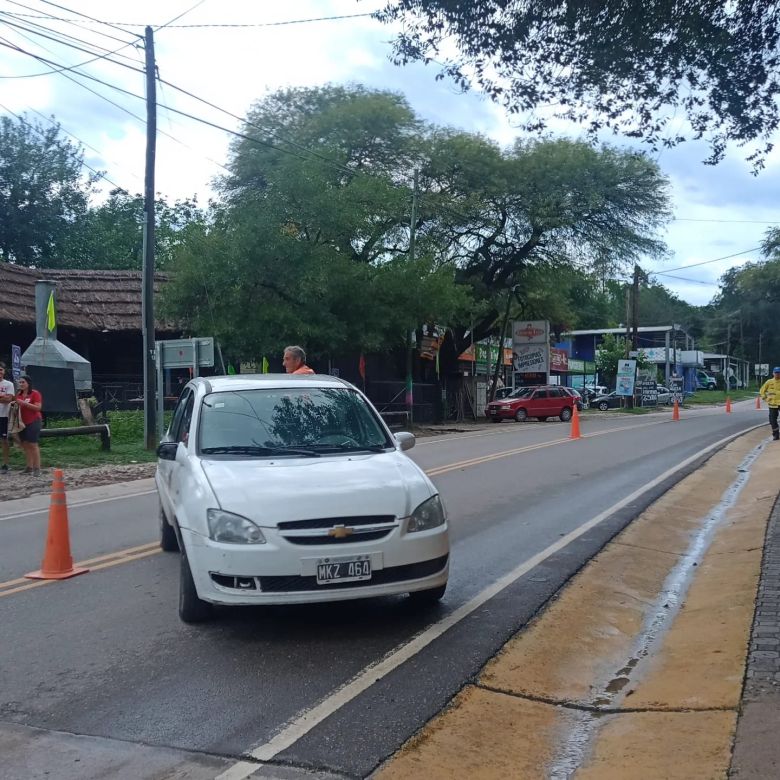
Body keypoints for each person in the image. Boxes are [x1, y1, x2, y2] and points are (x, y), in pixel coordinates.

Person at [16, 374, 43, 474]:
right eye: (20, 382)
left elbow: (38, 408)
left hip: (34, 421)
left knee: (33, 444)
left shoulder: (35, 393)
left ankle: (37, 468)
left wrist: (24, 403)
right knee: (25, 444)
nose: (21, 384)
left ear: (28, 383)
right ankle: (29, 467)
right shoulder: (18, 394)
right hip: (22, 422)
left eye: (23, 382)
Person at [0, 362, 15, 473]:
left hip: (4, 416)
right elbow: (4, 399)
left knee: (4, 440)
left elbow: (8, 399)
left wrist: (5, 398)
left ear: (4, 371)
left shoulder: (8, 384)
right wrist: (2, 397)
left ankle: (5, 464)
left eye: (1, 370)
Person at [759, 367, 780, 441]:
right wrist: (765, 398)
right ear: (773, 373)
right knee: (772, 420)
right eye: (776, 373)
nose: (777, 374)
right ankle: (776, 434)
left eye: (778, 373)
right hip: (772, 404)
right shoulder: (769, 382)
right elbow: (762, 391)